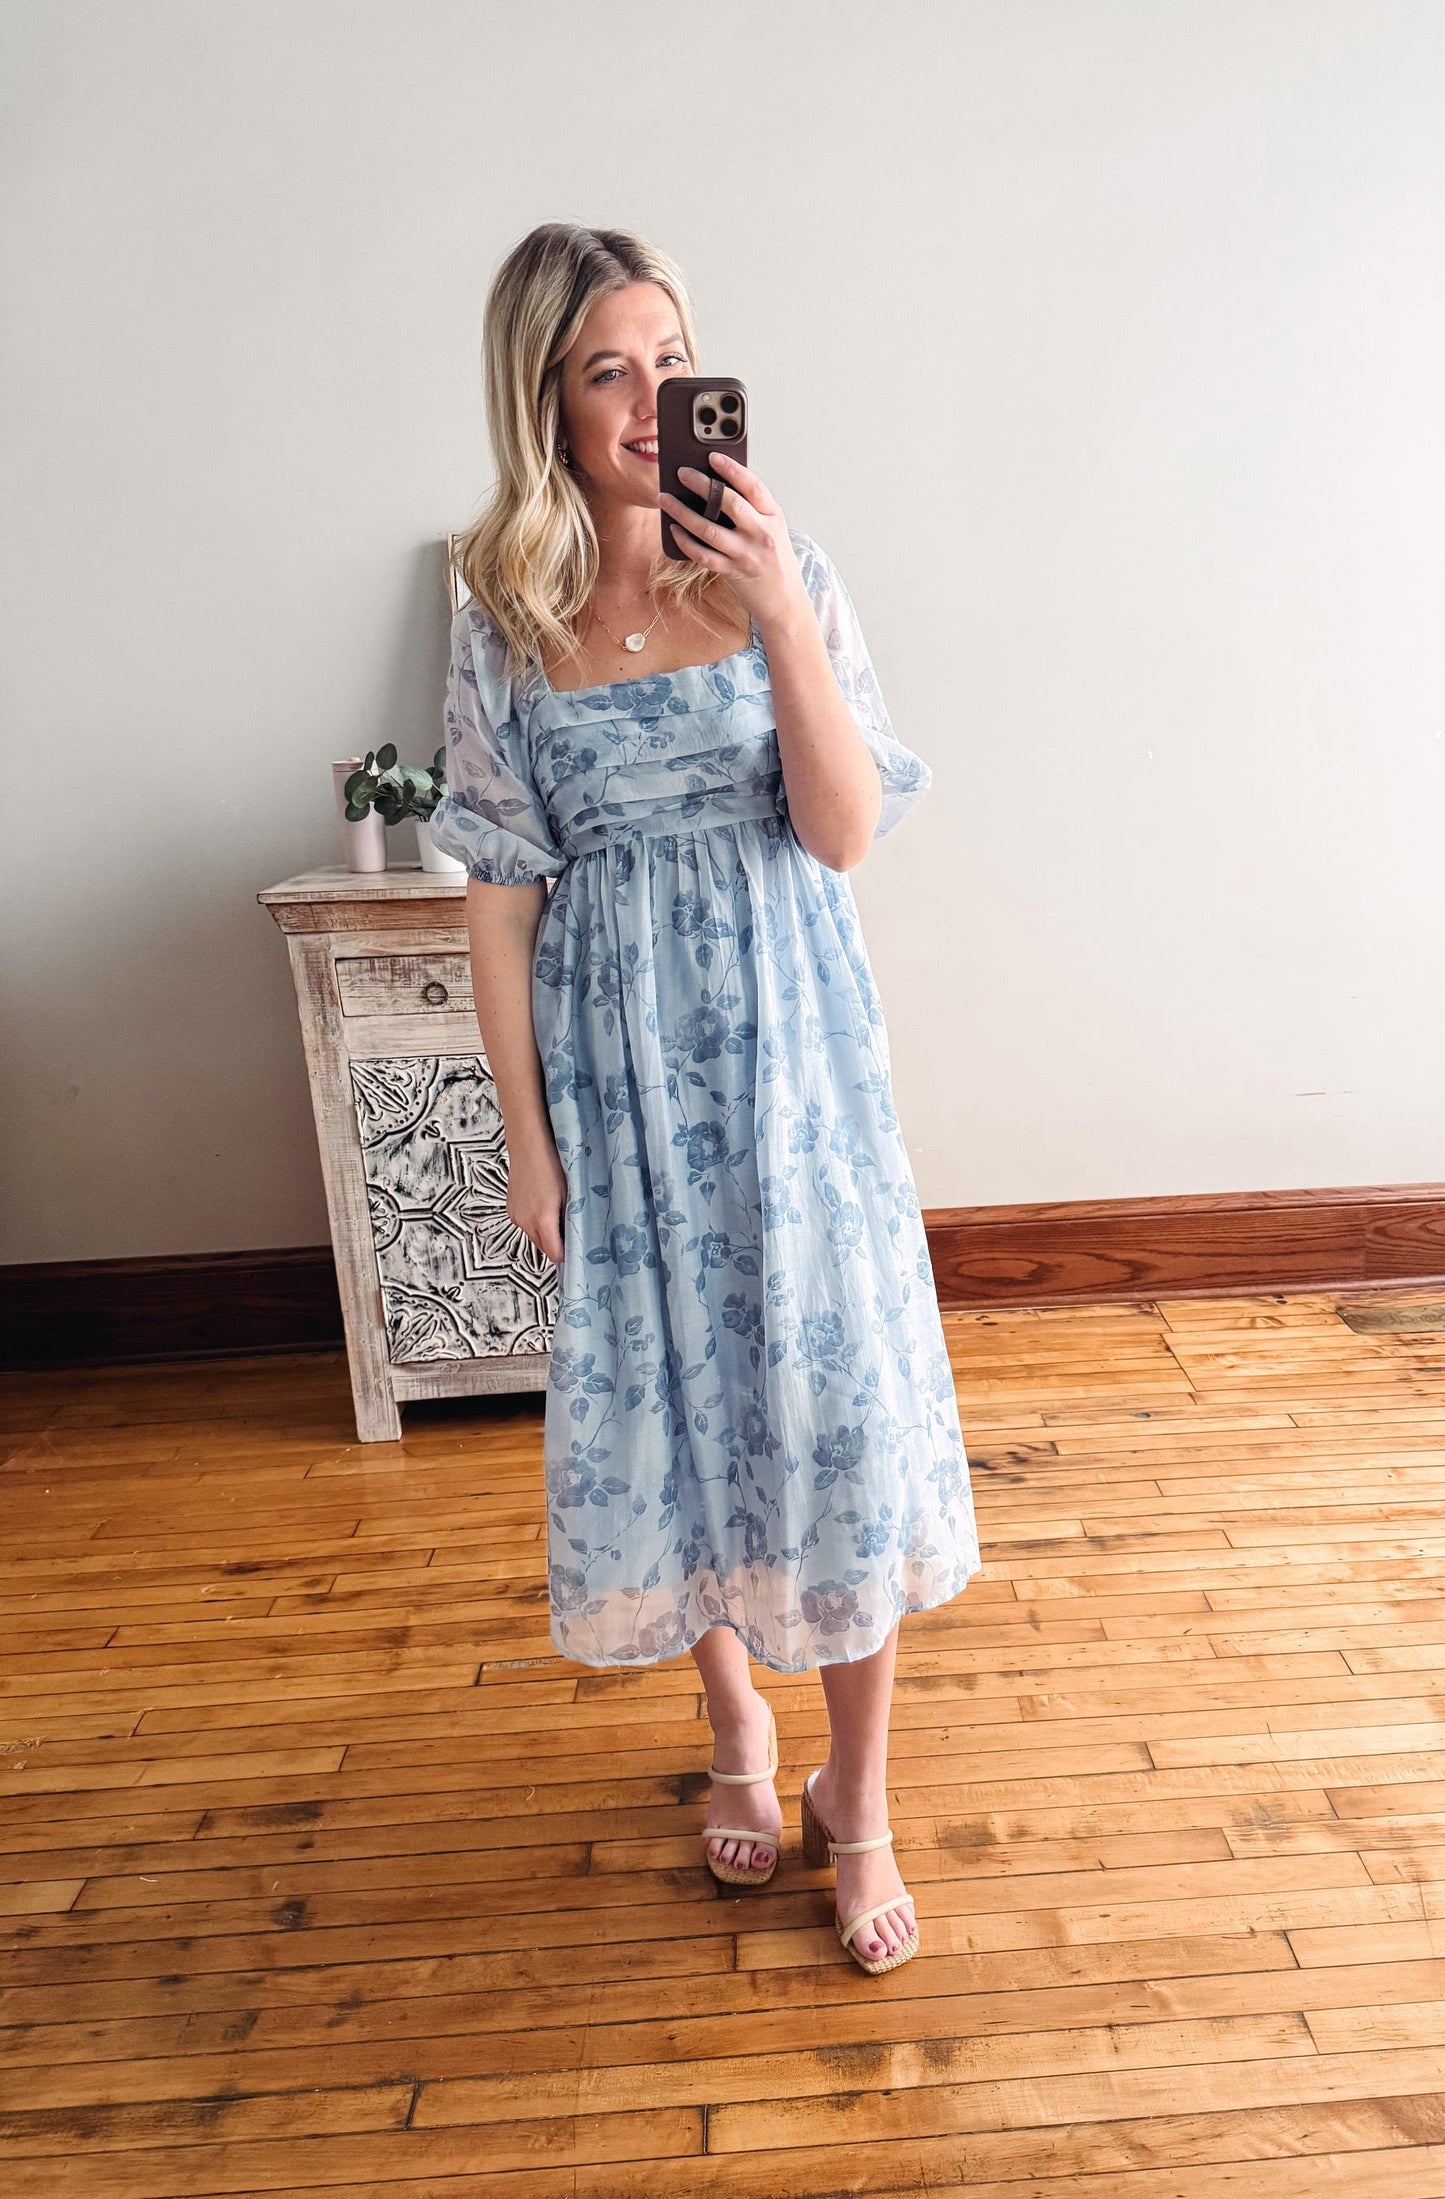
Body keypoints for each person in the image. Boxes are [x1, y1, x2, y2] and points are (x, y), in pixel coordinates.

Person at [430, 222, 980, 1976]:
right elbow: (500, 897)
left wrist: (775, 625)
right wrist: (524, 1137)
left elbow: (837, 828)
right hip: (617, 1066)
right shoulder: (500, 612)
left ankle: (859, 1794)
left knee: (833, 1413)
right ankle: (737, 1730)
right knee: (676, 1399)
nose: (653, 397)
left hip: (792, 1059)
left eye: (673, 360)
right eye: (610, 368)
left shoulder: (778, 561)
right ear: (546, 400)